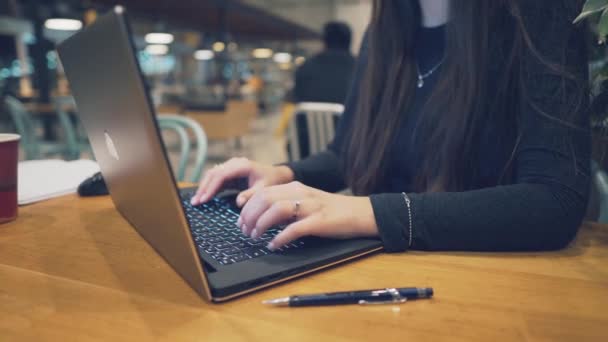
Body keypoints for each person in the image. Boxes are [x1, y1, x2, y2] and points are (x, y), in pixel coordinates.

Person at [191, 0, 591, 253]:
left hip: (482, 277)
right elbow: (346, 154)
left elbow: (554, 201)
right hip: (384, 268)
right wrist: (284, 173)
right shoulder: (384, 32)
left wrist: (370, 213)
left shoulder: (540, 13)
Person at [293, 22, 356, 104]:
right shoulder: (360, 68)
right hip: (348, 116)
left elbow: (296, 98)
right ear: (349, 41)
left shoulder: (305, 67)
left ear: (324, 40)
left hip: (309, 116)